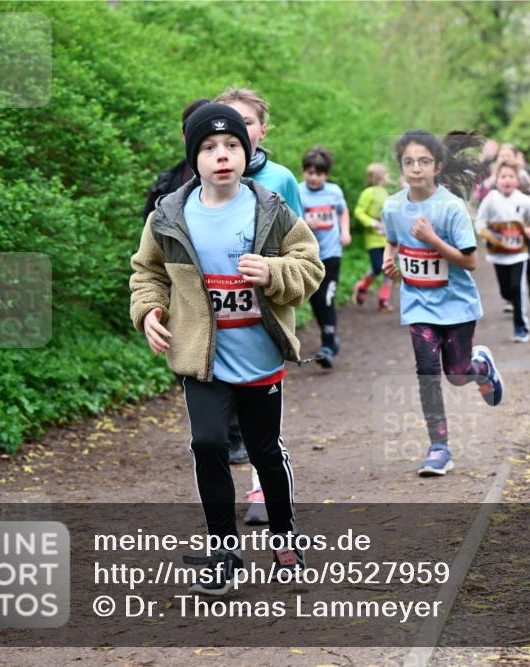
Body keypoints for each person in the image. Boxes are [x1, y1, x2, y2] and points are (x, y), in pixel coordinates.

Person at [130, 103, 324, 591]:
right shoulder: (168, 216)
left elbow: (310, 266)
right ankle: (224, 552)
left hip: (259, 356)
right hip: (202, 358)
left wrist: (274, 272)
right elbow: (147, 273)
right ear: (193, 156)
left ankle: (285, 539)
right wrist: (149, 311)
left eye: (232, 145)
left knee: (264, 450)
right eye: (210, 147)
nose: (222, 155)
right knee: (208, 444)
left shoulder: (270, 210)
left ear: (247, 151)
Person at [381, 130, 504, 476]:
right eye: (409, 162)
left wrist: (432, 239)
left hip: (456, 306)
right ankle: (439, 448)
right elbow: (392, 240)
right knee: (427, 373)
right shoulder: (393, 206)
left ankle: (481, 367)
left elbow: (470, 261)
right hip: (418, 304)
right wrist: (389, 260)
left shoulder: (451, 208)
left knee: (457, 374)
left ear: (437, 167)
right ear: (400, 167)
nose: (416, 168)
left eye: (424, 161)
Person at [214, 87, 305, 520]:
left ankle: (260, 491)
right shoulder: (204, 176)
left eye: (246, 122)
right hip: (217, 315)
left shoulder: (281, 179)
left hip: (265, 311)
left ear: (262, 130)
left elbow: (301, 247)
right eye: (230, 121)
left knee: (260, 410)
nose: (238, 130)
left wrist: (278, 275)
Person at [476, 159, 530, 343]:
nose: (507, 180)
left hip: (519, 253)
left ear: (517, 181)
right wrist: (491, 237)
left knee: (516, 288)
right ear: (496, 180)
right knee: (505, 291)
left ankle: (521, 327)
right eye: (503, 176)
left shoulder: (523, 200)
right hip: (497, 254)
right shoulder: (490, 200)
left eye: (511, 176)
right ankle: (511, 300)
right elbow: (480, 223)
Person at [298, 146, 350, 368]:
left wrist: (345, 232)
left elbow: (342, 211)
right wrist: (306, 223)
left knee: (327, 298)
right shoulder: (298, 191)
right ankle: (329, 337)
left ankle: (327, 345)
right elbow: (292, 218)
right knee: (316, 299)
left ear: (326, 174)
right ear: (304, 172)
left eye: (319, 174)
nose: (314, 178)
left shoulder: (334, 192)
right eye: (310, 172)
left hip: (331, 253)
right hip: (308, 255)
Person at [352, 162, 394, 311]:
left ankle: (384, 300)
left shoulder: (385, 192)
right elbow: (359, 212)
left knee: (389, 268)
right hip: (373, 239)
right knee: (377, 267)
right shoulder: (368, 192)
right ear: (380, 177)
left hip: (387, 238)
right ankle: (361, 287)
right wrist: (372, 223)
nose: (389, 176)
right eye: (386, 174)